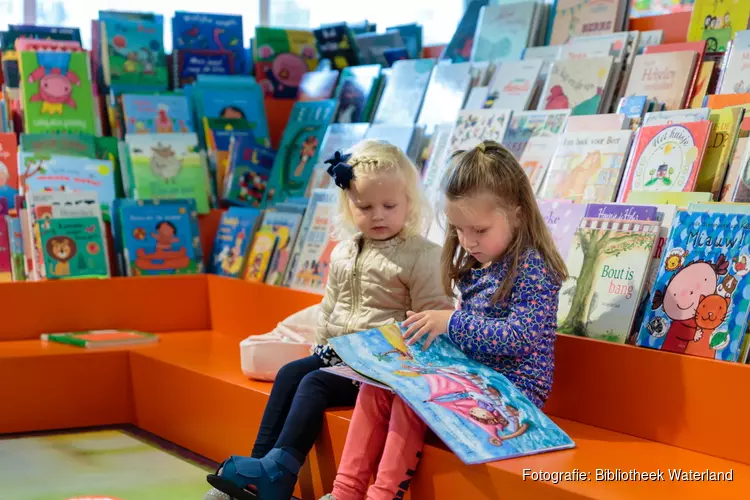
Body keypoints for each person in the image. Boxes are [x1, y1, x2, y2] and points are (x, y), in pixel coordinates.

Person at [205, 140, 454, 500]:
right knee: (292, 372)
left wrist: (403, 358)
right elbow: (331, 307)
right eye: (364, 206)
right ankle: (258, 468)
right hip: (341, 354)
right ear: (347, 205)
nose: (378, 215)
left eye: (389, 206)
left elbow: (432, 316)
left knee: (315, 384)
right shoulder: (344, 251)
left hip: (382, 366)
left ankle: (279, 472)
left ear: (410, 204)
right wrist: (322, 345)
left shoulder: (422, 256)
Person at [321, 140, 567, 500]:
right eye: (458, 230)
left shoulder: (533, 266)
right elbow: (472, 341)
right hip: (473, 381)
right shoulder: (479, 263)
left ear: (517, 212)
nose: (468, 241)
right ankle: (345, 491)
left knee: (413, 396)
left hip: (514, 397)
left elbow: (520, 336)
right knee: (377, 385)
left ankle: (383, 495)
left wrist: (451, 323)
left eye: (479, 230)